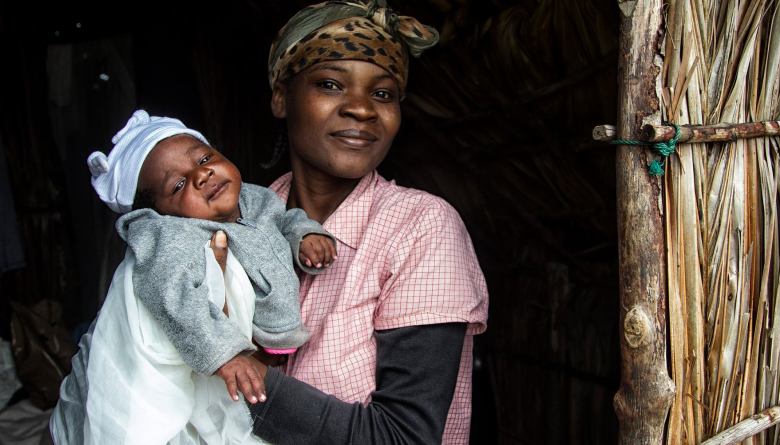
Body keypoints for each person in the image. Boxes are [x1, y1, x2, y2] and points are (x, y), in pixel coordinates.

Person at [225, 1, 489, 444]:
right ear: (280, 97)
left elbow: (402, 437)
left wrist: (217, 370)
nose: (362, 109)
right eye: (330, 84)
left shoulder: (420, 228)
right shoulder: (239, 222)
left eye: (383, 94)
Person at [50, 110, 336, 444]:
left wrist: (304, 235)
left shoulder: (256, 198)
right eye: (179, 184)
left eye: (204, 157)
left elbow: (285, 219)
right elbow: (171, 294)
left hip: (278, 344)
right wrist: (225, 354)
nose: (202, 175)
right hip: (224, 355)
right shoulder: (171, 238)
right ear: (160, 213)